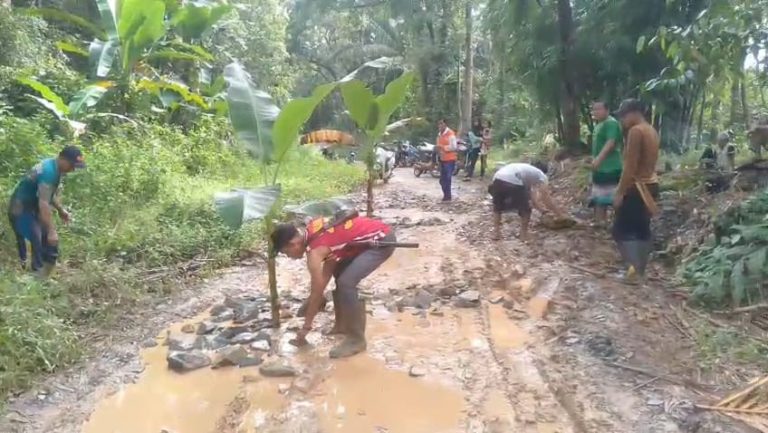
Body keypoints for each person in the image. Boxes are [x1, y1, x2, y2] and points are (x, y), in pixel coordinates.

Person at [271, 213, 395, 358]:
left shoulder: (315, 252)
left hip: (381, 240)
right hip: (364, 241)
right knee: (340, 274)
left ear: (293, 244)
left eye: (286, 252)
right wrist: (313, 299)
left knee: (346, 283)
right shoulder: (312, 231)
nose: (288, 256)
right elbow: (327, 273)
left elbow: (317, 291)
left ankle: (356, 339)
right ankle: (341, 326)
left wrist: (306, 326)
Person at [8, 145, 86, 277]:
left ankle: (40, 276)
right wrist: (51, 231)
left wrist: (61, 210)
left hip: (31, 206)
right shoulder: (49, 172)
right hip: (19, 208)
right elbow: (44, 203)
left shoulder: (55, 168)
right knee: (37, 238)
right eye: (72, 165)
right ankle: (31, 278)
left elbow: (48, 194)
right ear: (63, 159)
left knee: (46, 241)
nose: (73, 169)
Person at [613, 99, 660, 284]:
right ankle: (640, 271)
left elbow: (630, 166)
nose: (622, 120)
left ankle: (633, 273)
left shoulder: (636, 131)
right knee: (642, 229)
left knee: (621, 231)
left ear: (633, 113)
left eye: (624, 115)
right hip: (651, 185)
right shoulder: (651, 130)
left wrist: (619, 192)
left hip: (636, 187)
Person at [488, 161, 568, 241]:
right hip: (512, 178)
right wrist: (560, 214)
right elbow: (545, 197)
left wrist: (543, 211)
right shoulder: (541, 175)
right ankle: (523, 235)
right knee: (526, 210)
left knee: (498, 207)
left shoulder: (527, 172)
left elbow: (532, 197)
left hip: (497, 178)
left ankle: (496, 234)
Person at [589, 101, 623, 227]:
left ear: (607, 110)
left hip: (610, 167)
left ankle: (618, 223)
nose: (595, 112)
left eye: (599, 109)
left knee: (613, 195)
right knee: (598, 196)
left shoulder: (611, 123)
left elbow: (611, 142)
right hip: (600, 168)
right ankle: (600, 222)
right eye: (594, 110)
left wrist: (599, 159)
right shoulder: (599, 125)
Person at [436, 119, 458, 202]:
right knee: (442, 179)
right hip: (442, 159)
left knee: (448, 177)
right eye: (439, 124)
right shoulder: (439, 134)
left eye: (442, 124)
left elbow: (454, 147)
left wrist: (443, 147)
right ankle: (447, 194)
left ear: (445, 125)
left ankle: (447, 196)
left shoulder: (451, 134)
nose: (440, 126)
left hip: (450, 159)